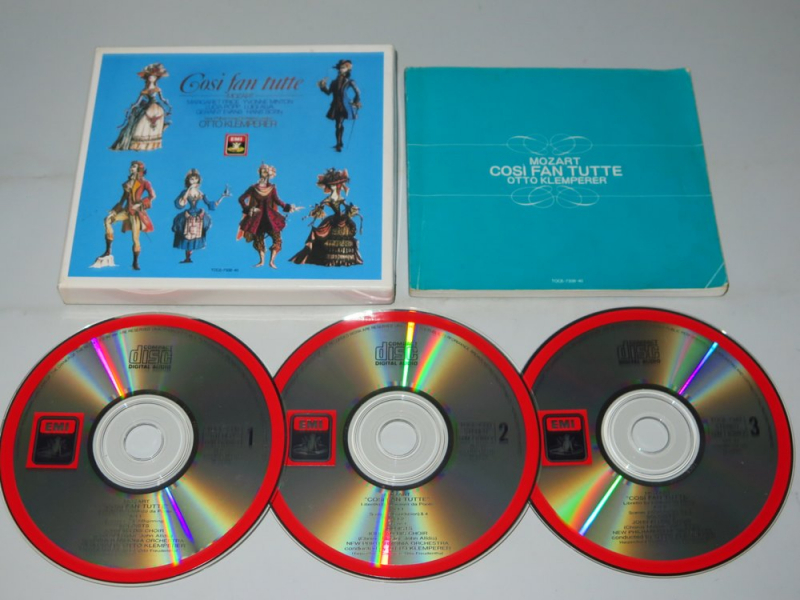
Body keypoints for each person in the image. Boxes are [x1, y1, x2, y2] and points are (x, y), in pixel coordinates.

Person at [289, 168, 363, 267]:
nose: (333, 186)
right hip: (334, 220)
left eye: (334, 184)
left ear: (338, 185)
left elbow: (346, 207)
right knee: (322, 234)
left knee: (349, 234)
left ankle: (343, 261)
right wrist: (313, 213)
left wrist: (351, 210)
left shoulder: (341, 198)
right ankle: (329, 260)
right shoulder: (327, 199)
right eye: (331, 185)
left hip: (343, 219)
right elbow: (320, 208)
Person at [236, 163, 298, 268]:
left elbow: (277, 200)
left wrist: (288, 207)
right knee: (258, 239)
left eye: (265, 171)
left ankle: (272, 261)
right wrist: (250, 209)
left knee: (277, 239)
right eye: (261, 171)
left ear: (268, 174)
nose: (263, 173)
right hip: (257, 218)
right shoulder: (253, 188)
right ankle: (261, 262)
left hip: (271, 218)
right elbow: (241, 199)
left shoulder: (272, 188)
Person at [98, 161, 155, 270]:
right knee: (107, 220)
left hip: (136, 214)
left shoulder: (145, 182)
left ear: (139, 170)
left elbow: (152, 195)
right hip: (126, 211)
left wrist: (141, 204)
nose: (131, 168)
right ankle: (108, 250)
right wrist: (115, 211)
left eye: (133, 167)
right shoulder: (128, 183)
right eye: (131, 166)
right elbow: (123, 199)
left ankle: (135, 262)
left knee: (135, 238)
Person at [171, 169, 230, 263]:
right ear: (188, 181)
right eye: (192, 179)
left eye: (195, 179)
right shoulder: (185, 192)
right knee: (186, 234)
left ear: (198, 180)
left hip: (198, 214)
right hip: (188, 213)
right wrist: (189, 189)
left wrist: (222, 197)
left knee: (196, 235)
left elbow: (210, 204)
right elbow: (180, 204)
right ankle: (187, 258)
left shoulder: (200, 193)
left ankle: (189, 257)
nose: (194, 181)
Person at [110, 63, 172, 151]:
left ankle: (154, 140)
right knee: (141, 123)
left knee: (159, 120)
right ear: (147, 78)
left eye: (153, 77)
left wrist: (167, 103)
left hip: (156, 107)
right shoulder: (144, 90)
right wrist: (132, 107)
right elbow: (138, 101)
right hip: (147, 106)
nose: (152, 78)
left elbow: (162, 98)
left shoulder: (157, 89)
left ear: (156, 78)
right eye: (150, 77)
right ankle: (139, 144)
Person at [318, 59, 361, 152]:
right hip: (336, 105)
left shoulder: (349, 81)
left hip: (345, 105)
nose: (341, 69)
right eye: (341, 68)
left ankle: (339, 143)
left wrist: (356, 101)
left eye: (344, 68)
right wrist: (323, 86)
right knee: (338, 125)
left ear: (347, 69)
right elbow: (328, 92)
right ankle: (339, 143)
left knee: (339, 124)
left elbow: (357, 92)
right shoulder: (334, 82)